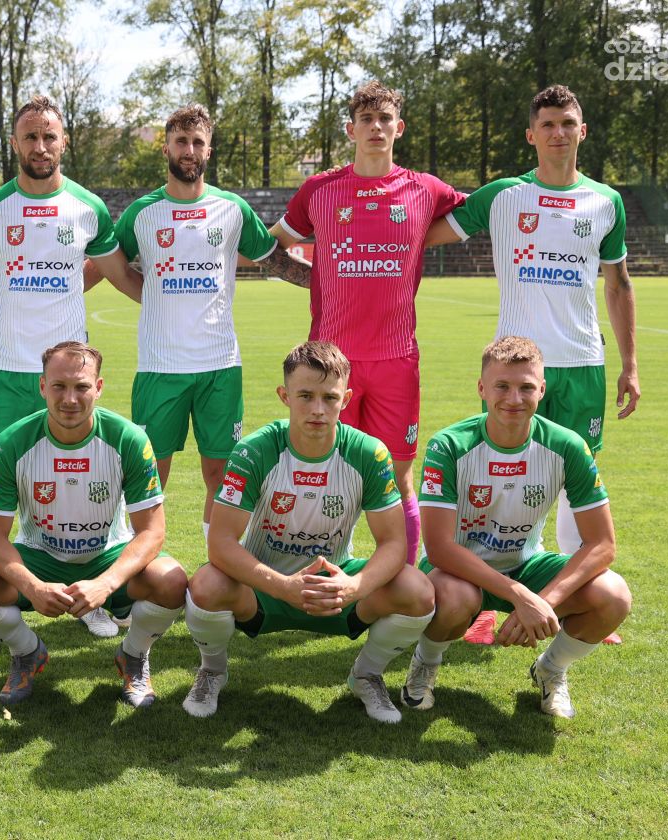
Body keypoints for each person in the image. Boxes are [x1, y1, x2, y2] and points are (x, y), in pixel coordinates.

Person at [424, 85, 638, 645]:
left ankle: (573, 591)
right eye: (547, 124)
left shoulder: (605, 202)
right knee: (495, 477)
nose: (558, 133)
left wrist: (631, 364)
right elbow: (425, 235)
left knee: (577, 478)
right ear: (531, 134)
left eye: (567, 123)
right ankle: (483, 601)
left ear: (582, 131)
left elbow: (618, 284)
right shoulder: (504, 196)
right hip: (513, 367)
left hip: (582, 361)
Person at [0, 95, 142, 638]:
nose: (40, 146)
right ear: (15, 143)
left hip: (71, 375)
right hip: (6, 369)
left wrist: (174, 297)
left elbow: (120, 274)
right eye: (30, 137)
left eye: (49, 136)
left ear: (63, 141)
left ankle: (92, 596)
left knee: (86, 477)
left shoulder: (87, 207)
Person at [181, 341, 434, 723]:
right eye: (305, 396)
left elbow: (395, 543)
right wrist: (283, 586)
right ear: (285, 396)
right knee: (206, 585)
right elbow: (220, 543)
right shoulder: (254, 451)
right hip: (264, 587)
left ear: (346, 398)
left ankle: (367, 675)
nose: (318, 409)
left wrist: (354, 586)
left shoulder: (370, 453)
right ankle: (212, 670)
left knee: (417, 591)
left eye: (329, 397)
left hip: (335, 587)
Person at [269, 80, 464, 572]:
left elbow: (484, 212)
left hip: (397, 361)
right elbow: (271, 247)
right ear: (350, 129)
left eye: (384, 119)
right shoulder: (320, 189)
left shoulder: (424, 189)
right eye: (366, 119)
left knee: (398, 478)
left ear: (399, 128)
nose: (376, 127)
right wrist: (315, 276)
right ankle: (318, 577)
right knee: (327, 474)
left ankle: (402, 581)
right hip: (331, 366)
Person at [110, 103, 312, 542]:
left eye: (197, 142)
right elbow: (111, 264)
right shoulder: (142, 213)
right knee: (149, 471)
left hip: (220, 365)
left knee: (220, 473)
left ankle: (217, 563)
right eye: (181, 141)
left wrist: (331, 283)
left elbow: (276, 260)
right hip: (160, 366)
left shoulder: (231, 208)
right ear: (166, 148)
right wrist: (145, 294)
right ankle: (133, 565)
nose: (189, 150)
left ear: (208, 151)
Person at [405, 336, 631, 718]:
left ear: (542, 389)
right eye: (502, 386)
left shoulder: (568, 446)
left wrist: (544, 602)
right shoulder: (449, 445)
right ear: (481, 389)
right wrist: (521, 597)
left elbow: (602, 545)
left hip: (525, 563)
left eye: (526, 387)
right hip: (457, 571)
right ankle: (425, 665)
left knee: (614, 595)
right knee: (456, 599)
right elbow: (440, 547)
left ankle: (551, 670)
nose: (514, 398)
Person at [0, 341, 187, 708]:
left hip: (107, 555)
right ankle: (27, 652)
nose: (70, 399)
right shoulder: (12, 442)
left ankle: (134, 655)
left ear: (99, 387)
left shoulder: (128, 439)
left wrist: (105, 584)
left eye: (81, 386)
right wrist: (32, 587)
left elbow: (152, 531)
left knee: (171, 582)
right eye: (59, 386)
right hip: (39, 556)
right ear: (42, 386)